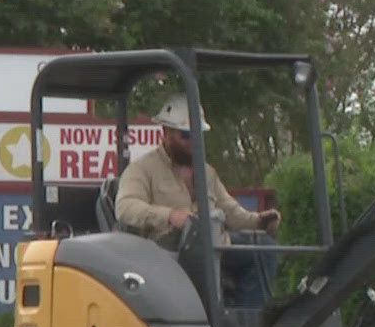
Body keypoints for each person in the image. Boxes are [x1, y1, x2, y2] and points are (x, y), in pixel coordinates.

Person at [115, 94, 281, 308]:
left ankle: (244, 322)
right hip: (168, 251)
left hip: (209, 246)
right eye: (186, 135)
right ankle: (240, 326)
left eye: (198, 135)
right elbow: (126, 207)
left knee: (263, 248)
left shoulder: (206, 172)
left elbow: (229, 210)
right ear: (165, 132)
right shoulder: (143, 170)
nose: (193, 141)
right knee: (256, 253)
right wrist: (170, 216)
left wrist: (259, 221)